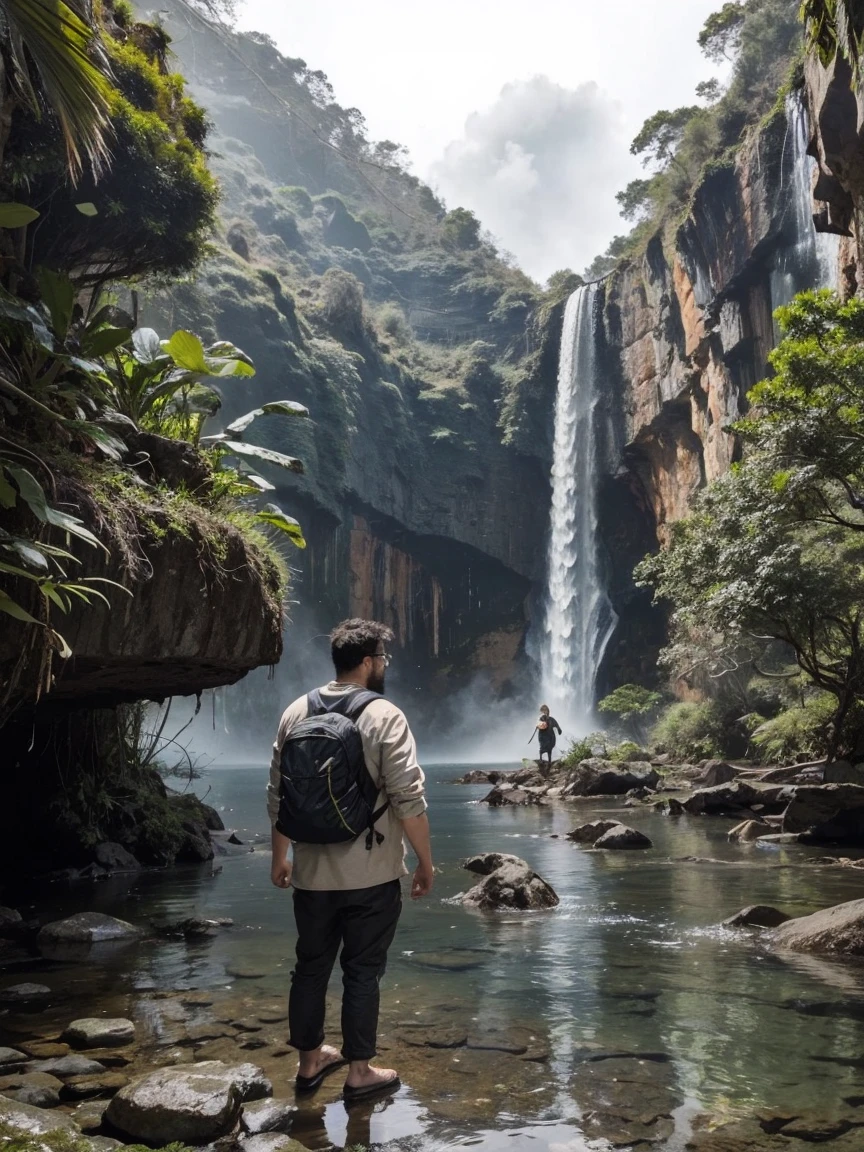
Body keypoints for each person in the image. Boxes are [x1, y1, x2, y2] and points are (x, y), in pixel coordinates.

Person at [267, 618, 433, 1103]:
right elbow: (409, 798)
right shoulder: (385, 715)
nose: (384, 666)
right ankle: (360, 1071)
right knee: (362, 970)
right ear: (367, 661)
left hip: (311, 874)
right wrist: (425, 862)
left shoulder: (296, 711)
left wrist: (281, 857)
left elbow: (279, 793)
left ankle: (309, 1061)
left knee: (310, 967)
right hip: (373, 872)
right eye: (382, 658)